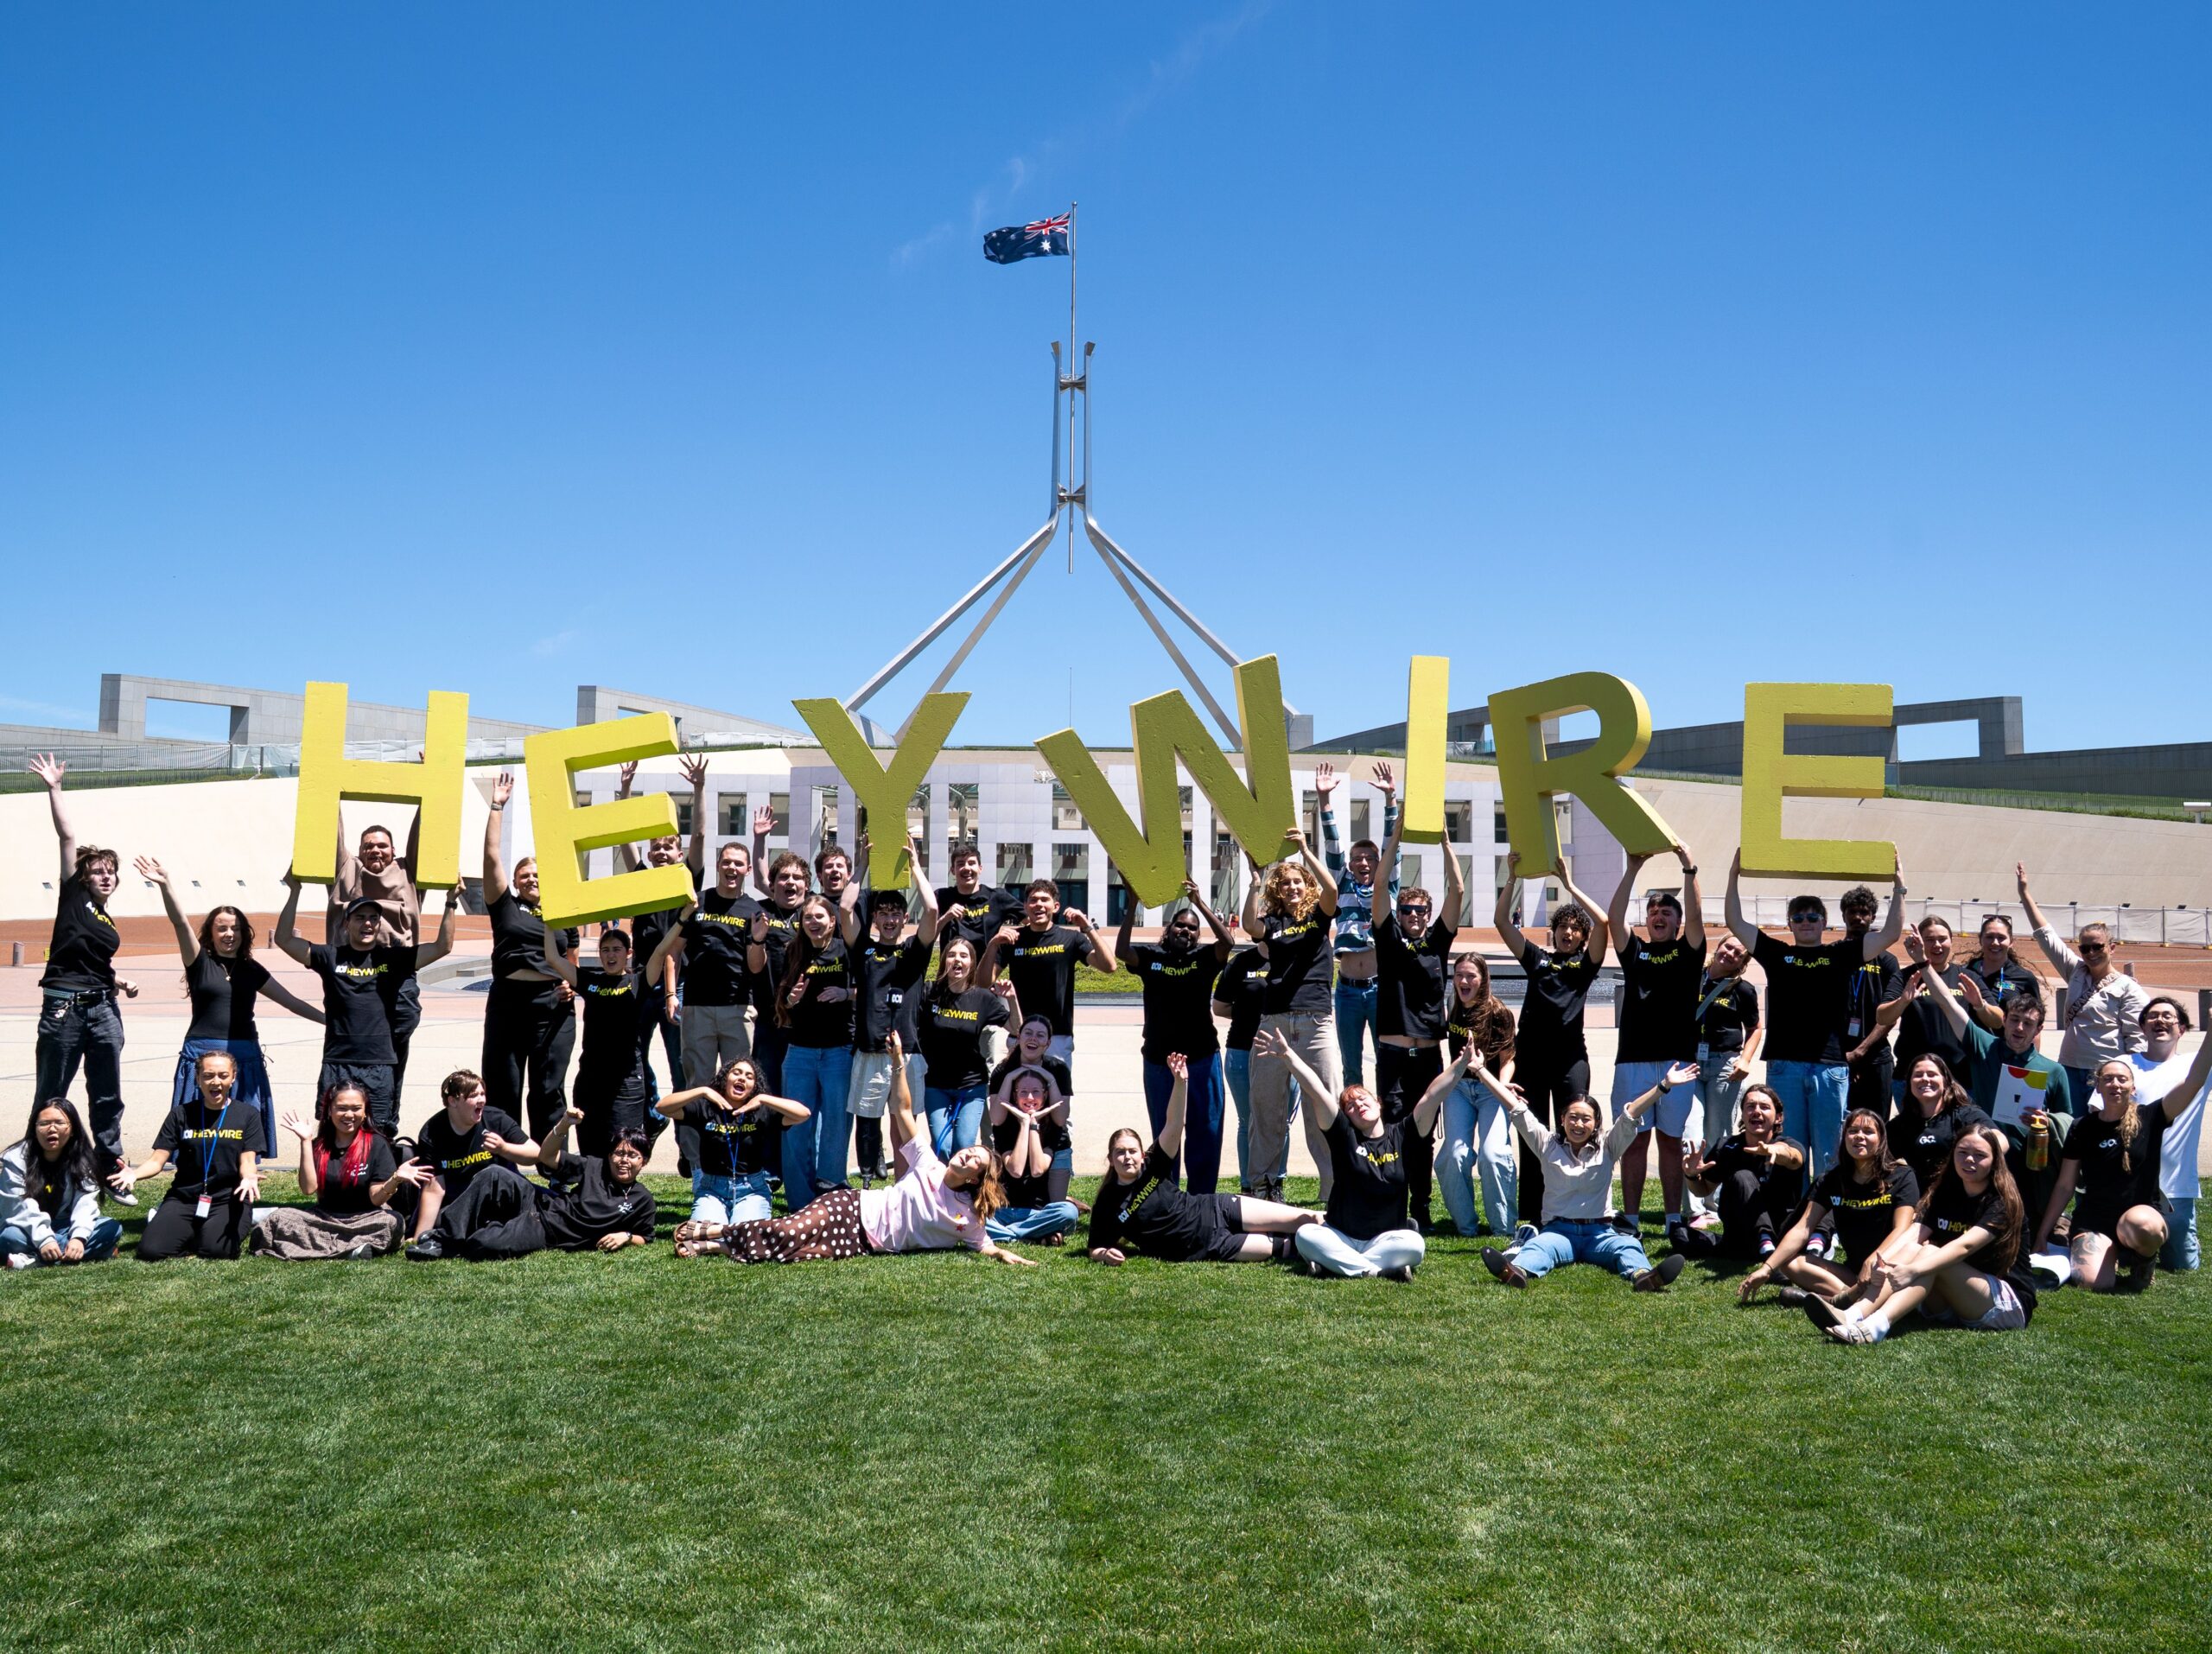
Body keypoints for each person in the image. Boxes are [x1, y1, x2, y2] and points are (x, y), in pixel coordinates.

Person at [674, 1032, 1038, 1267]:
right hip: (852, 1207)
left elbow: (985, 1245)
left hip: (865, 1242)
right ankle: (708, 1233)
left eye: (975, 1159)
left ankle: (713, 1246)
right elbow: (904, 1110)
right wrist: (897, 1064)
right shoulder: (929, 1164)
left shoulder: (968, 1219)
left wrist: (1006, 1254)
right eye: (972, 1149)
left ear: (976, 1178)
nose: (967, 1153)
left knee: (796, 1252)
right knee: (788, 1231)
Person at [1722, 850, 1907, 1178]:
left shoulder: (1843, 953)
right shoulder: (1778, 954)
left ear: (1824, 922)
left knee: (1828, 1152)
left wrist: (1899, 885)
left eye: (1812, 917)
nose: (1806, 923)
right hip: (1785, 1065)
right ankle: (1794, 1217)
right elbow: (1735, 922)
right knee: (1789, 1149)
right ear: (1790, 924)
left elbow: (1891, 933)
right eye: (1799, 918)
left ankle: (1825, 1223)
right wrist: (1733, 874)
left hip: (1829, 1066)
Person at [137, 854, 324, 1161]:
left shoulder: (252, 969)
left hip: (245, 1057)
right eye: (222, 928)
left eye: (235, 928)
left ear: (244, 932)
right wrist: (165, 884)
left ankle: (244, 1177)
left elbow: (291, 1002)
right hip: (201, 1052)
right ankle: (195, 1178)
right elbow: (179, 922)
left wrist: (329, 1021)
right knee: (199, 1126)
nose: (229, 934)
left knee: (242, 1128)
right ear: (211, 932)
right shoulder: (199, 962)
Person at [1469, 1055, 1693, 1292]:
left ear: (1595, 1124)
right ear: (1562, 1119)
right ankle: (1515, 1271)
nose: (1578, 1124)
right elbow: (1516, 1108)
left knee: (1629, 1247)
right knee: (1537, 1248)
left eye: (1586, 1119)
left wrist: (1663, 1086)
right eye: (1573, 1117)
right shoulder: (1546, 1144)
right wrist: (1481, 1070)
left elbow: (1631, 1115)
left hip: (1600, 1233)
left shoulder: (1609, 1146)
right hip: (1558, 1231)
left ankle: (1644, 1276)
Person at [1899, 926, 2074, 1228]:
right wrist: (1922, 963)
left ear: (2039, 1030)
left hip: (2031, 1161)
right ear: (2004, 1021)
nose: (2019, 1029)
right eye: (2014, 1021)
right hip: (1986, 1158)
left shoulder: (2053, 1071)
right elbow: (1948, 1004)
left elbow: (2067, 1123)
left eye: (2028, 1024)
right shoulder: (1984, 1047)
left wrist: (2048, 1122)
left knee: (2026, 1224)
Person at [1804, 1122, 2036, 1343]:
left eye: (1980, 1155)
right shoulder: (1946, 1192)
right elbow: (1914, 1233)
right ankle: (1853, 1314)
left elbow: (1965, 1246)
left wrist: (1912, 1270)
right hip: (1952, 1300)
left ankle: (1875, 1327)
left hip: (2004, 1304)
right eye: (1962, 1152)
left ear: (1995, 1160)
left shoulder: (2002, 1201)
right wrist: (1882, 1262)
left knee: (1929, 1255)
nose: (1969, 1160)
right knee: (1917, 1249)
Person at [1088, 1050, 1320, 1264]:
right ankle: (1340, 1251)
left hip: (1218, 1208)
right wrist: (1105, 1255)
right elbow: (1095, 1247)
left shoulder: (1153, 1165)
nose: (1127, 1157)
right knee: (1288, 1248)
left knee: (1304, 1218)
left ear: (1141, 1155)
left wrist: (1181, 1082)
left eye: (1132, 1151)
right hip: (1207, 1245)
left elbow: (1175, 1124)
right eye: (1120, 1152)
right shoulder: (1107, 1203)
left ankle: (1351, 1229)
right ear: (1110, 1158)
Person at [1252, 1027, 1446, 1280]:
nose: (1358, 1106)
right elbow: (1317, 1091)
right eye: (1350, 1106)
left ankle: (1335, 1264)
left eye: (1363, 1099)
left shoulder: (1402, 1135)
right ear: (1347, 1117)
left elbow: (1431, 1096)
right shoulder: (1344, 1136)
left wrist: (1463, 1064)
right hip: (1340, 1234)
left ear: (1378, 1102)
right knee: (1306, 1235)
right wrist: (1288, 1056)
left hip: (1384, 1238)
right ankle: (1375, 1271)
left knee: (1415, 1244)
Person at [27, 754, 138, 1186]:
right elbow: (67, 836)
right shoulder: (73, 897)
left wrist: (119, 980)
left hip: (104, 1009)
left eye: (111, 872)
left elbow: (93, 961)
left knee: (108, 1094)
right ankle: (38, 1169)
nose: (105, 876)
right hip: (64, 1009)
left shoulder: (105, 920)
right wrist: (54, 789)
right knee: (51, 1094)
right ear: (84, 878)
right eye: (98, 872)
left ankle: (110, 1167)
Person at [276, 872, 457, 1137]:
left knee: (378, 1134)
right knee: (331, 1133)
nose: (368, 923)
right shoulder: (330, 956)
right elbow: (284, 940)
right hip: (338, 1061)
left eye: (373, 918)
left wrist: (450, 903)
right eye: (360, 918)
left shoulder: (393, 959)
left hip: (380, 1063)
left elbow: (442, 947)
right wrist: (295, 891)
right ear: (346, 924)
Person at [1496, 849, 1612, 1223]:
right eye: (1563, 926)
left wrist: (1570, 885)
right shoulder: (1538, 959)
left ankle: (1578, 1211)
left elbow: (1604, 921)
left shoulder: (1585, 964)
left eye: (1576, 929)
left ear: (1582, 937)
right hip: (1531, 1059)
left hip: (1569, 1061)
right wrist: (1512, 877)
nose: (1569, 932)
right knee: (1533, 1138)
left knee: (1577, 1131)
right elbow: (1501, 921)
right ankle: (1532, 1215)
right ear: (1555, 932)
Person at [1604, 844, 1706, 1236]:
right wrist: (1632, 869)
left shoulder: (1689, 950)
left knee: (1671, 1142)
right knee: (1634, 1143)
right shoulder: (1637, 951)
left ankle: (1672, 1220)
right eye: (1653, 913)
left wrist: (1688, 868)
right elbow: (1614, 919)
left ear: (1678, 923)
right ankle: (1630, 1221)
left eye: (1667, 913)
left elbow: (1697, 917)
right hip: (1632, 1060)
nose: (1659, 917)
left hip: (1678, 1062)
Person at [406, 1104, 655, 1261]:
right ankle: (443, 1239)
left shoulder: (641, 1199)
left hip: (546, 1231)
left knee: (483, 1244)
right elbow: (545, 1156)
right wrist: (564, 1124)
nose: (624, 1161)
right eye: (618, 1154)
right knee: (494, 1173)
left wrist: (626, 1235)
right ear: (610, 1155)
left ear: (643, 1162)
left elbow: (646, 1236)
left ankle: (483, 1228)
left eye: (632, 1156)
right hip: (540, 1203)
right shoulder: (594, 1166)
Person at [476, 771, 582, 1140]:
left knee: (549, 1089)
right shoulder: (505, 906)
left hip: (552, 1006)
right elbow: (491, 858)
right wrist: (496, 807)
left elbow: (573, 959)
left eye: (537, 873)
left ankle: (553, 1166)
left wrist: (571, 986)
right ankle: (503, 1165)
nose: (532, 879)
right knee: (503, 1087)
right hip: (508, 1002)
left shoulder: (563, 912)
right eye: (525, 874)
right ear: (516, 881)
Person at [1368, 821, 1463, 1229]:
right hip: (1392, 1054)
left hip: (1427, 1056)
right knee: (1391, 1131)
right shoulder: (1388, 939)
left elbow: (1458, 892)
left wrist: (1443, 841)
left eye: (1420, 910)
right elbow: (1378, 886)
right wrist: (1395, 841)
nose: (1413, 916)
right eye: (1407, 910)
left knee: (1423, 1133)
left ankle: (1420, 1208)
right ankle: (1391, 1204)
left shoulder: (1437, 942)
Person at [2032, 1056, 2195, 1292]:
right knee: (2093, 1283)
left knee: (2144, 1225)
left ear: (2133, 1086)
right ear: (2097, 1086)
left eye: (2122, 1079)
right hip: (2094, 1221)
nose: (2115, 1084)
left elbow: (2194, 1082)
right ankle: (2095, 1245)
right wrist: (2043, 1233)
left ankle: (2143, 1262)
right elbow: (2065, 1185)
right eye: (2107, 1079)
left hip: (2136, 1220)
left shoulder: (2150, 1117)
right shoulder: (2081, 1127)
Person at [1243, 827, 1342, 1204]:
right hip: (1275, 1024)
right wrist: (1255, 883)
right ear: (1277, 890)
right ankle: (1264, 1186)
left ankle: (1334, 1185)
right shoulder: (1274, 923)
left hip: (1316, 1022)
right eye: (1285, 884)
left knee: (1325, 1105)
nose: (1293, 888)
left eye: (1298, 882)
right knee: (1266, 1110)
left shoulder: (1319, 916)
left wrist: (1305, 851)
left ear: (1307, 885)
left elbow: (1331, 892)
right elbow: (1250, 926)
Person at [1735, 1108, 1919, 1308]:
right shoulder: (1833, 1180)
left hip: (1890, 1264)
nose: (1859, 1136)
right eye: (1853, 1131)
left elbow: (1902, 1230)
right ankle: (1850, 1297)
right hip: (1855, 1272)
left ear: (1881, 1139)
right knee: (1789, 1263)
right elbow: (1803, 1228)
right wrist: (1767, 1268)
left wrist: (1873, 1260)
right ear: (1845, 1137)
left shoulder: (1901, 1176)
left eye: (1868, 1132)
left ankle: (1837, 1300)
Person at [1116, 880, 1234, 1192]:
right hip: (1159, 1061)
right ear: (1168, 930)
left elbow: (1227, 943)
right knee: (1165, 1133)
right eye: (1180, 926)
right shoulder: (1151, 958)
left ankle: (1201, 1200)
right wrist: (1131, 905)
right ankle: (1167, 1198)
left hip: (1202, 1059)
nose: (1186, 931)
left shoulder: (1205, 960)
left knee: (1205, 1132)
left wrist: (1200, 902)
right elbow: (1121, 951)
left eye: (1192, 928)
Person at [538, 919, 685, 1157]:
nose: (610, 955)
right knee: (591, 1149)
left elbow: (661, 951)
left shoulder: (638, 982)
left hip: (627, 1084)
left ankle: (621, 1194)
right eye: (605, 950)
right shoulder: (590, 981)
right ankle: (592, 1191)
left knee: (624, 1148)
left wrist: (681, 920)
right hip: (590, 1082)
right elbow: (553, 958)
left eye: (616, 949)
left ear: (629, 953)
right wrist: (549, 923)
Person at [614, 754, 710, 1115]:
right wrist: (624, 791)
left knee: (681, 1065)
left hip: (680, 986)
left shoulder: (689, 879)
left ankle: (688, 1142)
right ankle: (652, 1114)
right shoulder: (642, 880)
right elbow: (625, 839)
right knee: (632, 1058)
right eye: (655, 847)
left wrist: (699, 788)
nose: (660, 852)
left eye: (667, 846)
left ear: (679, 852)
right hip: (641, 982)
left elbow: (700, 834)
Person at [750, 892, 855, 1208]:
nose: (812, 922)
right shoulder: (792, 950)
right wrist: (792, 1000)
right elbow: (780, 1000)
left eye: (819, 916)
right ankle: (800, 1200)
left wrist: (846, 993)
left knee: (836, 1125)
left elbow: (869, 989)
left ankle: (830, 1193)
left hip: (838, 1050)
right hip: (799, 1053)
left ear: (832, 921)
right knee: (796, 1127)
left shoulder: (845, 950)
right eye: (807, 917)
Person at [2017, 861, 2151, 1105]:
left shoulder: (2128, 989)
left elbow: (2137, 1041)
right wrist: (2024, 893)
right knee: (2071, 1129)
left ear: (2112, 948)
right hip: (2068, 1068)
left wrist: (2130, 1081)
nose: (2091, 953)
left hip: (2105, 1073)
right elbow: (2047, 937)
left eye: (2098, 946)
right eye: (2085, 948)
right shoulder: (2076, 971)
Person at [846, 834, 940, 1183]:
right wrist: (862, 866)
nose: (889, 919)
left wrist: (915, 866)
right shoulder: (864, 950)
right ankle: (871, 1182)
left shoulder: (915, 951)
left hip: (909, 1054)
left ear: (904, 918)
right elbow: (844, 910)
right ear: (874, 918)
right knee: (868, 1125)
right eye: (883, 913)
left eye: (895, 913)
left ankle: (905, 1185)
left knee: (906, 1125)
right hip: (870, 1051)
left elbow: (932, 910)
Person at [111, 1050, 264, 1262]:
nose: (215, 1082)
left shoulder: (247, 1115)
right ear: (198, 1078)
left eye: (223, 1075)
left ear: (233, 1077)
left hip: (228, 1199)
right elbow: (157, 1160)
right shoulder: (181, 1114)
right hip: (184, 1198)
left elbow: (247, 1160)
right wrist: (134, 1175)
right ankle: (174, 1222)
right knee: (150, 1251)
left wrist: (248, 1177)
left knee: (217, 1251)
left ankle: (233, 1221)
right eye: (208, 1075)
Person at [252, 1083, 426, 1259]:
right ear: (329, 1111)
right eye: (341, 1108)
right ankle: (352, 1248)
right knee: (279, 1219)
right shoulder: (318, 1146)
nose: (349, 1115)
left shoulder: (376, 1144)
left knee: (391, 1222)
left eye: (356, 1109)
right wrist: (305, 1141)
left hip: (367, 1218)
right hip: (324, 1218)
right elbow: (308, 1189)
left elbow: (376, 1199)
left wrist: (395, 1179)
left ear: (365, 1112)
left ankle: (322, 1246)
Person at [1315, 759, 1399, 1088]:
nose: (1363, 862)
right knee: (1351, 1067)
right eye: (1357, 859)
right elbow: (1333, 847)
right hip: (1347, 990)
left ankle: (1385, 1126)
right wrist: (1324, 801)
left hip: (1381, 988)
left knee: (1385, 1061)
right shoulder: (1342, 884)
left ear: (1379, 863)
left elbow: (1393, 844)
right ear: (1350, 864)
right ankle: (1354, 1130)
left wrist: (1391, 799)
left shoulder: (1387, 884)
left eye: (1370, 858)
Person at [654, 1058, 809, 1231]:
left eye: (750, 1077)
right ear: (724, 1078)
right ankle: (720, 1233)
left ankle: (725, 1233)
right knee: (711, 1232)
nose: (742, 1078)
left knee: (743, 1235)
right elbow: (662, 1107)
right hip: (712, 1190)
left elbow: (803, 1114)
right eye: (736, 1073)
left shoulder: (762, 1112)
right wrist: (703, 1091)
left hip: (752, 1190)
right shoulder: (706, 1108)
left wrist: (764, 1098)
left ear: (754, 1086)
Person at [328, 813, 424, 1091]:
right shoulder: (347, 867)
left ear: (394, 851)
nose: (375, 850)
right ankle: (347, 1123)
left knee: (393, 1060)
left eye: (382, 845)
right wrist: (332, 784)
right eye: (368, 845)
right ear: (359, 852)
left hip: (398, 976)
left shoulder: (408, 871)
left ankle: (385, 1126)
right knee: (349, 1055)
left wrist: (426, 785)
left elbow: (423, 832)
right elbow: (332, 833)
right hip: (352, 974)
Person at [1679, 934, 1764, 1231]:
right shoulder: (1691, 977)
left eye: (1738, 953)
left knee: (1719, 1134)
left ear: (1743, 962)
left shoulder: (1743, 990)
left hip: (1724, 1065)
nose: (1730, 954)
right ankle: (1693, 1208)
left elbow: (1755, 1028)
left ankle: (1716, 1202)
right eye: (1728, 947)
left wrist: (1745, 1060)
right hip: (1688, 1064)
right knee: (1690, 1131)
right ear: (1718, 947)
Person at [981, 881, 1113, 1069]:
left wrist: (1087, 928)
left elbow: (1109, 966)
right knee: (1019, 1095)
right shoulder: (1013, 940)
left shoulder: (1071, 939)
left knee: (1057, 1096)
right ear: (1025, 907)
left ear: (1056, 906)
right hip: (1020, 1033)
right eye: (1033, 900)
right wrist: (993, 945)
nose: (1039, 905)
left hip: (1057, 1036)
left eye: (1045, 900)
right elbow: (985, 982)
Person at [1433, 952, 1517, 1237]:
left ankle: (1503, 1229)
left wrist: (1503, 1085)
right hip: (1458, 1089)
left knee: (1492, 1156)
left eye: (1471, 976)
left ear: (1483, 980)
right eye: (1459, 975)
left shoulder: (1499, 1013)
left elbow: (1508, 1058)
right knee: (1453, 1156)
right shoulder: (1452, 1003)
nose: (1464, 981)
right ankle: (1466, 1226)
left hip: (1491, 1090)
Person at [1674, 1085, 1808, 1261]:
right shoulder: (1727, 1147)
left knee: (1742, 1176)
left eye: (1765, 1107)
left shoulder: (1789, 1144)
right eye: (1750, 1106)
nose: (1757, 1111)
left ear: (1778, 1117)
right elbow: (1703, 1189)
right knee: (1678, 1234)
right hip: (1740, 1233)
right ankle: (1757, 1246)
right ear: (1743, 1114)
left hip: (1780, 1234)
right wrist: (1691, 1175)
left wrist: (1776, 1151)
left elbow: (1795, 1158)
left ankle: (1766, 1242)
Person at [404, 1069, 538, 1245]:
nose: (481, 1100)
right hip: (458, 1203)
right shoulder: (433, 1132)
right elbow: (434, 1188)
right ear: (453, 1101)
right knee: (442, 1223)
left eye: (483, 1093)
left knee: (542, 1205)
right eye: (473, 1095)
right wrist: (420, 1236)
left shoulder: (495, 1119)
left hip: (498, 1197)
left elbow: (535, 1153)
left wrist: (504, 1148)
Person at [2130, 997, 2211, 1272]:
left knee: (2182, 1266)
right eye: (2152, 1016)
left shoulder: (2196, 1066)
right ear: (2142, 1027)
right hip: (2131, 1186)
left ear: (2182, 1029)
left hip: (2177, 1190)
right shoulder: (2124, 1066)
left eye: (2168, 1016)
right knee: (2130, 1254)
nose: (2160, 1020)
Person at [917, 939, 1014, 1157]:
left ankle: (963, 1191)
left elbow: (1016, 1027)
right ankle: (941, 1190)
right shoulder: (929, 991)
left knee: (963, 1147)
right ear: (944, 961)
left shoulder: (982, 997)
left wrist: (1012, 999)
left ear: (972, 963)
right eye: (952, 955)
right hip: (936, 1084)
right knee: (942, 1147)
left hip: (971, 1086)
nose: (957, 960)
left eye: (964, 955)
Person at [1215, 945, 1298, 1196]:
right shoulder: (1241, 962)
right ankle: (1249, 1185)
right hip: (1242, 1050)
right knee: (1248, 1121)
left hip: (1283, 1052)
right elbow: (1219, 1007)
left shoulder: (1293, 957)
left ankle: (1275, 1184)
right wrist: (1250, 1016)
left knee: (1280, 1122)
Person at [0, 1099, 123, 1268]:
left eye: (59, 1123)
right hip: (25, 1227)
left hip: (65, 1225)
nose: (51, 1129)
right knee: (9, 1236)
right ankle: (92, 1252)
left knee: (111, 1227)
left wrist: (79, 1238)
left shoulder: (83, 1159)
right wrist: (44, 1240)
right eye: (44, 1124)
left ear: (72, 1129)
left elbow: (85, 1203)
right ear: (34, 1129)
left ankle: (35, 1261)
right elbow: (19, 1207)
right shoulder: (15, 1159)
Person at [1880, 917, 1975, 1109]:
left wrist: (1980, 1005)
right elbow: (1882, 1017)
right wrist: (1903, 1001)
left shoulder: (1966, 977)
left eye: (1942, 939)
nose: (1937, 945)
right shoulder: (1906, 977)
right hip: (1913, 1079)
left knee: (1960, 1137)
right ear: (1920, 942)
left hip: (1959, 1079)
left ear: (1952, 940)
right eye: (1930, 940)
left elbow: (1996, 1020)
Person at [983, 1066, 1082, 1245]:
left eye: (1036, 1092)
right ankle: (1033, 1234)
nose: (1029, 1098)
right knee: (972, 1213)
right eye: (1023, 1092)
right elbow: (1015, 1169)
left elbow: (1037, 1170)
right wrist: (1023, 1124)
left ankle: (1010, 1234)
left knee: (1069, 1212)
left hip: (1038, 1212)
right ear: (1014, 1095)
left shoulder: (1054, 1128)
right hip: (1002, 1210)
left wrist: (1033, 1125)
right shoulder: (1003, 1125)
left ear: (1045, 1095)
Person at [1836, 883, 1905, 1120]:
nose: (1858, 917)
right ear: (1843, 914)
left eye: (1864, 912)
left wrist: (1860, 1052)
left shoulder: (1887, 961)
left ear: (1873, 916)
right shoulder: (1831, 954)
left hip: (1876, 1058)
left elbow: (1892, 1013)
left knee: (1877, 1127)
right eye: (1852, 911)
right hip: (1837, 1058)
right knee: (1839, 1128)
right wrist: (1844, 1055)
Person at [747, 843, 812, 1092]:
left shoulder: (815, 914)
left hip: (808, 1023)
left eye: (797, 877)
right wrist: (758, 939)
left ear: (807, 885)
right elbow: (754, 967)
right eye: (784, 877)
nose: (790, 883)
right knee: (765, 1092)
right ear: (772, 885)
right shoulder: (759, 913)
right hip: (769, 1022)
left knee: (800, 1098)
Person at [1887, 1053, 1993, 1190]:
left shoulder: (1966, 1115)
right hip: (1917, 1200)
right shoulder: (1898, 1125)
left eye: (1932, 1074)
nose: (1925, 1079)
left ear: (1945, 1081)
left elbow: (1999, 1140)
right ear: (1909, 1083)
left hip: (1960, 1195)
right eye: (1918, 1075)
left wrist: (1970, 1154)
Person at [934, 840, 1023, 962]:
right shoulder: (942, 897)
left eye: (971, 863)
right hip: (951, 975)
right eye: (960, 864)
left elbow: (1032, 921)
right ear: (953, 870)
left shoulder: (997, 897)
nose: (966, 868)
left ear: (980, 868)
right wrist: (946, 918)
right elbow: (926, 939)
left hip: (984, 976)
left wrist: (1009, 936)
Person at [1961, 913, 2042, 1030]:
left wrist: (2033, 1048)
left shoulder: (2024, 978)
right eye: (1989, 937)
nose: (1995, 942)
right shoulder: (1965, 973)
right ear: (1980, 939)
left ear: (2011, 941)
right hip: (1968, 1045)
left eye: (2001, 937)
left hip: (2005, 1046)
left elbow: (2034, 1023)